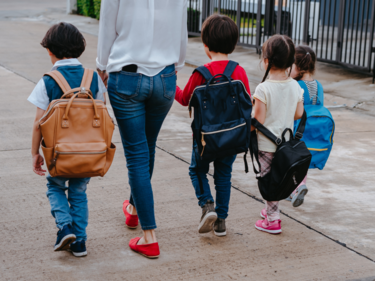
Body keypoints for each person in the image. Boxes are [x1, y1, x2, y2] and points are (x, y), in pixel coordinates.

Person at [96, 0, 187, 258]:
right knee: (147, 146)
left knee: (137, 155)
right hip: (165, 77)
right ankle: (134, 210)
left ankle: (149, 236)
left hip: (127, 77)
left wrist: (102, 65)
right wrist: (175, 67)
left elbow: (107, 29)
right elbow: (181, 35)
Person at [28, 22, 107, 256]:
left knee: (54, 187)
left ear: (50, 51)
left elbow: (37, 125)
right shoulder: (94, 79)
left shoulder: (47, 80)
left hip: (58, 154)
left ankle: (64, 227)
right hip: (88, 153)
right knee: (79, 193)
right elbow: (102, 114)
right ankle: (80, 242)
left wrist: (35, 153)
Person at [175, 14, 251, 237]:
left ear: (206, 45)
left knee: (197, 170)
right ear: (233, 44)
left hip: (204, 139)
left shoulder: (201, 74)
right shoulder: (239, 71)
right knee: (223, 175)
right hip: (231, 138)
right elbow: (247, 103)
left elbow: (184, 99)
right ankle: (221, 222)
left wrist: (172, 84)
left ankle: (207, 205)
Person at [252, 35, 304, 234]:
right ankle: (270, 209)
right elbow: (299, 113)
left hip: (267, 145)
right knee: (278, 178)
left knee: (269, 180)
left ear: (266, 61)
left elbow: (259, 120)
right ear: (291, 63)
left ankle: (273, 219)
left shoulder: (263, 88)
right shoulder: (295, 86)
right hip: (287, 145)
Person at [288, 46, 321, 207]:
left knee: (291, 161)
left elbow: (293, 111)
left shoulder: (297, 86)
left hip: (297, 131)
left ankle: (295, 187)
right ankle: (300, 186)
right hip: (312, 131)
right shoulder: (319, 86)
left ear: (298, 67)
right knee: (303, 162)